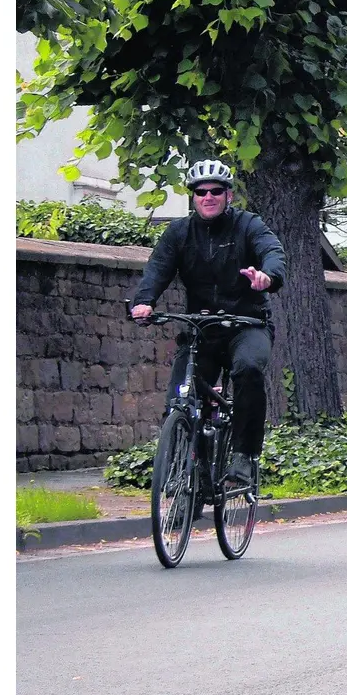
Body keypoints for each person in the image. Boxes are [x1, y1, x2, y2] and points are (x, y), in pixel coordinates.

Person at [131, 160, 285, 488]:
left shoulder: (248, 226)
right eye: (201, 192)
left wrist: (267, 277)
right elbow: (157, 268)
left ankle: (244, 455)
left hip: (248, 324)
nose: (208, 197)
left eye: (216, 191)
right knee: (180, 394)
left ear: (228, 195)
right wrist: (144, 301)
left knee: (247, 370)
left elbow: (272, 251)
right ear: (193, 197)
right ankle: (189, 468)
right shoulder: (179, 233)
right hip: (202, 328)